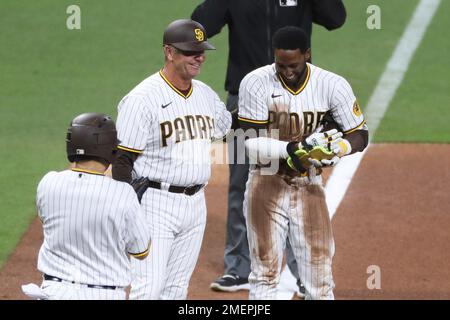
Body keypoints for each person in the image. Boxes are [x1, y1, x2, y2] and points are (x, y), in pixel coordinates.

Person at [191, 0, 347, 294]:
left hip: (296, 99)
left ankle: (304, 273)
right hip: (244, 99)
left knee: (299, 179)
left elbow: (336, 17)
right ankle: (238, 268)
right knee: (241, 181)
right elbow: (201, 25)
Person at [238, 26, 368, 299]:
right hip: (266, 181)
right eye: (281, 65)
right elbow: (249, 142)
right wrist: (294, 149)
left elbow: (360, 134)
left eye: (294, 65)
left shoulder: (332, 84)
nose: (287, 71)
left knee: (320, 277)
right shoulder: (255, 82)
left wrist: (338, 148)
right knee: (264, 274)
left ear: (307, 54)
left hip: (309, 184)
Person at [112, 19, 232, 299]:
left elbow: (228, 128)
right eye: (191, 52)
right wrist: (127, 209)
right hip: (155, 203)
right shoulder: (141, 99)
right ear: (169, 52)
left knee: (177, 290)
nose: (199, 57)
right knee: (149, 288)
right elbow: (122, 162)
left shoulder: (205, 94)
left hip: (195, 204)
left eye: (201, 51)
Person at [22, 113, 151, 300]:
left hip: (53, 292)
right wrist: (134, 207)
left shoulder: (48, 183)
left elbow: (50, 220)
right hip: (102, 294)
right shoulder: (123, 193)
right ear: (110, 151)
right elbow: (141, 251)